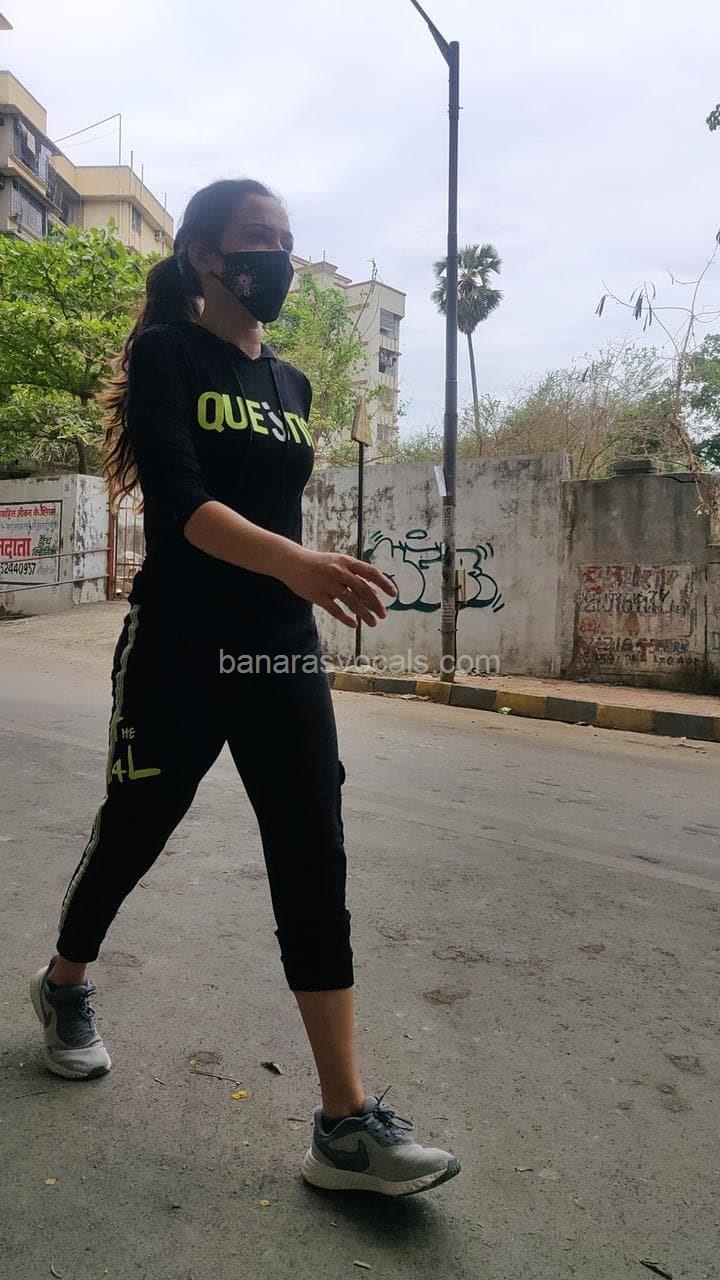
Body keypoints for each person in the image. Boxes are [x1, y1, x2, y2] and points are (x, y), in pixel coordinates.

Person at [29, 178, 461, 1198]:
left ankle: (344, 1123)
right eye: (257, 238)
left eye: (288, 239)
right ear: (207, 256)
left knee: (313, 848)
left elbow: (273, 506)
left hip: (278, 647)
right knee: (136, 827)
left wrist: (305, 571)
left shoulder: (294, 384)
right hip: (182, 642)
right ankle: (64, 982)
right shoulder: (167, 355)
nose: (277, 255)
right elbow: (183, 504)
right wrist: (299, 564)